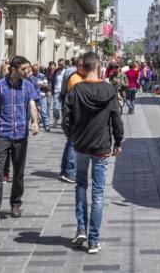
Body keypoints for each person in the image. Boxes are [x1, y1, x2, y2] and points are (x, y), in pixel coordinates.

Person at [62, 52, 124, 254]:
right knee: (98, 192)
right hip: (102, 147)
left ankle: (81, 228)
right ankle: (93, 240)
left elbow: (66, 118)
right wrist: (118, 140)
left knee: (80, 185)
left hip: (81, 146)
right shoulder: (109, 90)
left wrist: (73, 135)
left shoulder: (76, 90)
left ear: (84, 67)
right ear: (98, 67)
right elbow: (116, 117)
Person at [0, 55, 40, 226]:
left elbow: (32, 104)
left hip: (21, 134)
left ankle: (16, 203)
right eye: (23, 69)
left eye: (27, 69)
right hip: (2, 133)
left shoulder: (28, 86)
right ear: (13, 69)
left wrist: (35, 122)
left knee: (19, 172)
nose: (26, 72)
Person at [30, 63, 51, 132]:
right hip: (33, 96)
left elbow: (47, 85)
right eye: (33, 70)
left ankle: (47, 126)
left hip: (42, 95)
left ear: (38, 69)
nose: (35, 71)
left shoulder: (42, 76)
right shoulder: (30, 77)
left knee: (43, 112)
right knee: (34, 111)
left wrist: (40, 84)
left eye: (36, 70)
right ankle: (35, 125)